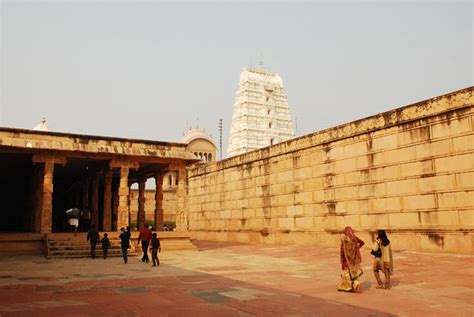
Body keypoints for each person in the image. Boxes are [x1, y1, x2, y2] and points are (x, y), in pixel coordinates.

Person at [338, 226, 365, 292]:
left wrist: (342, 258)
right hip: (354, 259)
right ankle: (356, 284)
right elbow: (362, 243)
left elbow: (342, 250)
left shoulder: (345, 239)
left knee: (346, 273)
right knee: (354, 273)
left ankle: (348, 287)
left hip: (347, 259)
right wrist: (357, 248)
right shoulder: (354, 238)